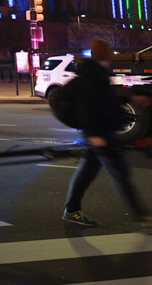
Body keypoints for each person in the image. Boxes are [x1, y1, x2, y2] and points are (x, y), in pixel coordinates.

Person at [62, 39, 151, 230]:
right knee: (121, 174)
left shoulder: (95, 73)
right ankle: (144, 218)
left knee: (86, 173)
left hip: (99, 134)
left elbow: (106, 100)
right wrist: (94, 134)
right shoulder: (94, 76)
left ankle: (71, 210)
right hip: (100, 135)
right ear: (106, 55)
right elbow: (88, 106)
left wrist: (132, 98)